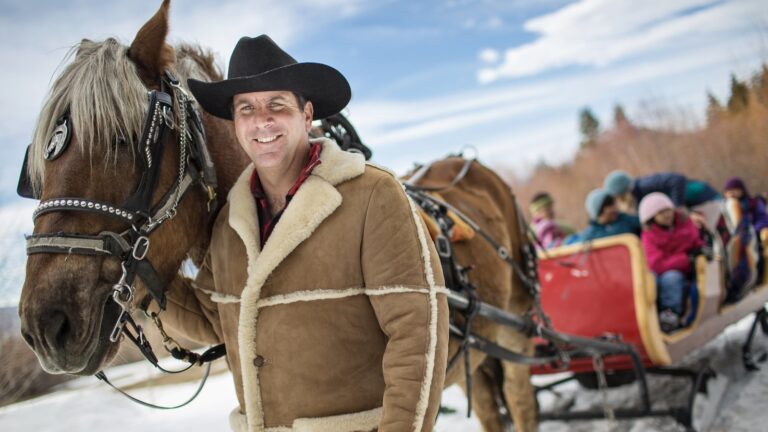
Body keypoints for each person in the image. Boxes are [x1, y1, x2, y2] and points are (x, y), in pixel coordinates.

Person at [160, 35, 449, 432]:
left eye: (276, 105)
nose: (261, 121)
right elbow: (213, 318)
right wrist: (140, 282)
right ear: (234, 122)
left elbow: (417, 334)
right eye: (246, 109)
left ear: (306, 113)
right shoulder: (231, 222)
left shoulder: (373, 196)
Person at [638, 193, 704, 333]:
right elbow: (656, 263)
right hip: (665, 268)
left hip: (682, 272)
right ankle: (649, 314)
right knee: (651, 280)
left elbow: (695, 242)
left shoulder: (685, 224)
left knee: (671, 278)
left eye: (667, 210)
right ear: (652, 218)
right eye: (660, 213)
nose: (666, 215)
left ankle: (670, 313)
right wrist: (686, 259)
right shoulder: (649, 235)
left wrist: (701, 249)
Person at [603, 170, 721, 231]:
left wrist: (677, 208)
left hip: (702, 197)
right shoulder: (638, 200)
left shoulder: (644, 185)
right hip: (697, 206)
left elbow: (677, 180)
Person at [719, 177, 768, 301]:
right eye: (729, 191)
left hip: (753, 236)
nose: (733, 193)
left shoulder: (753, 203)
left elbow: (762, 219)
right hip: (731, 240)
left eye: (735, 190)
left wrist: (752, 232)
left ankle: (751, 279)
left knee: (747, 248)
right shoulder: (724, 206)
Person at [567, 188, 640, 244]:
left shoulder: (627, 220)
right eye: (609, 206)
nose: (614, 208)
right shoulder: (590, 234)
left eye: (613, 204)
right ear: (599, 211)